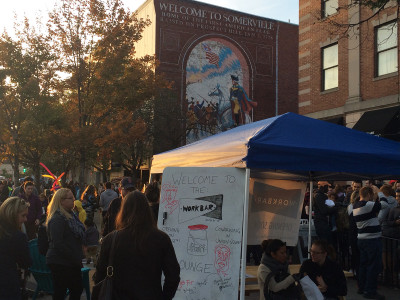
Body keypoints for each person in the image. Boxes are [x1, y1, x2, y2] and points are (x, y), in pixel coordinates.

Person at [95, 191, 180, 299]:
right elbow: (173, 276)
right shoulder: (161, 239)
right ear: (147, 211)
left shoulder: (110, 240)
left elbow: (99, 277)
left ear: (123, 211)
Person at [46, 188, 85, 300]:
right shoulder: (58, 218)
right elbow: (58, 243)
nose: (74, 200)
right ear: (61, 201)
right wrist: (73, 256)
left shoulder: (71, 215)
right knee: (61, 292)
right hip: (61, 262)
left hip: (71, 261)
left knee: (76, 289)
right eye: (71, 198)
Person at [353, 186, 384, 300]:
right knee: (373, 266)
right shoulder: (367, 205)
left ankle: (362, 287)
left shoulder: (355, 205)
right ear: (369, 195)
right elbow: (384, 205)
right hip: (372, 239)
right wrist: (379, 192)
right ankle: (370, 291)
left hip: (361, 239)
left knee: (364, 265)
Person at [0, 197, 32, 300]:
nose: (25, 219)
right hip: (8, 283)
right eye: (23, 216)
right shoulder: (17, 236)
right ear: (12, 214)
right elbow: (26, 262)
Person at [313, 181, 336, 246]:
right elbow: (324, 210)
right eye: (327, 187)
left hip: (324, 223)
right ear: (323, 187)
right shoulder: (319, 196)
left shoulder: (322, 195)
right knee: (325, 244)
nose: (328, 188)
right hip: (321, 223)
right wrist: (334, 208)